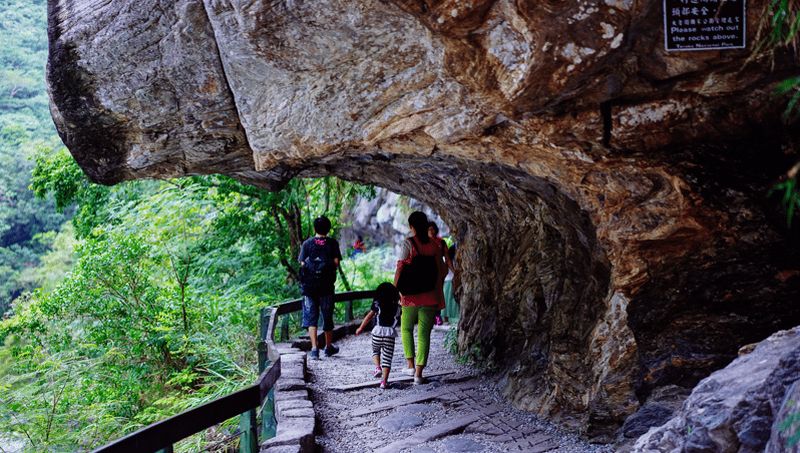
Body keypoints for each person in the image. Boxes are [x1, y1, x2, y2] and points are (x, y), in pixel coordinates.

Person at [395, 211, 446, 384]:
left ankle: (409, 365)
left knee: (406, 329)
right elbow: (441, 270)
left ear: (411, 226)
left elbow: (400, 267)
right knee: (424, 334)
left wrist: (395, 289)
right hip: (430, 296)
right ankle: (418, 374)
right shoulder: (434, 245)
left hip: (410, 297)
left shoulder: (408, 244)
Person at [298, 216, 343, 360]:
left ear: (314, 228)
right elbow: (336, 262)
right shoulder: (332, 243)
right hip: (326, 287)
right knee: (327, 316)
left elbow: (302, 263)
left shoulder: (307, 244)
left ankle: (314, 348)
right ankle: (328, 347)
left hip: (310, 287)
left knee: (312, 318)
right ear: (328, 228)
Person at [355, 282, 401, 389]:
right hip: (390, 334)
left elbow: (368, 317)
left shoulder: (377, 305)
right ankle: (383, 382)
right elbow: (397, 319)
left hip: (377, 332)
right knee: (387, 358)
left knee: (375, 351)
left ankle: (377, 367)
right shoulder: (398, 308)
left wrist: (360, 328)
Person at [428, 222, 454, 325]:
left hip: (440, 272)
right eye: (429, 229)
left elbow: (447, 259)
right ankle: (430, 316)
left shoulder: (441, 242)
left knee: (438, 294)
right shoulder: (422, 242)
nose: (432, 231)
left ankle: (437, 316)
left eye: (433, 229)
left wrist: (454, 271)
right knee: (429, 295)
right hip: (427, 273)